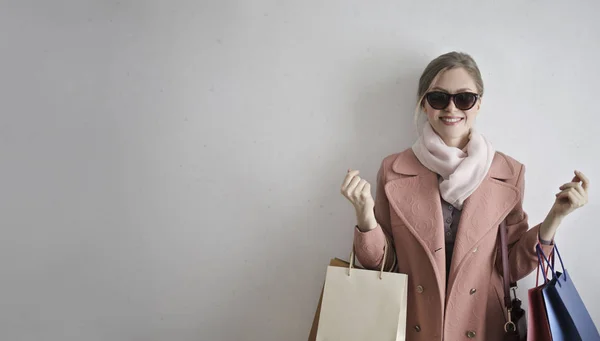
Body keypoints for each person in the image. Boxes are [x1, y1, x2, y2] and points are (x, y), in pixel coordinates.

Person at [340, 51, 590, 341]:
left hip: (482, 323)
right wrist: (365, 218)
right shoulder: (394, 169)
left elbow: (511, 266)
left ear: (478, 104)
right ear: (424, 103)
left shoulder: (508, 172)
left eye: (464, 98)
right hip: (411, 322)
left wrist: (555, 217)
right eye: (438, 98)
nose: (451, 108)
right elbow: (381, 266)